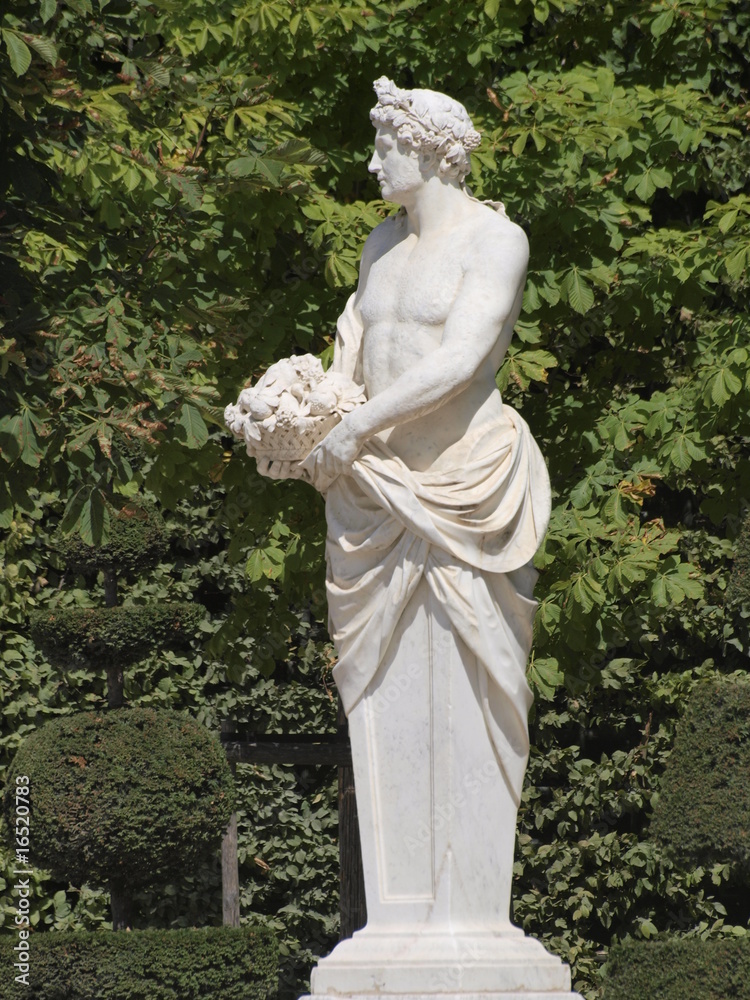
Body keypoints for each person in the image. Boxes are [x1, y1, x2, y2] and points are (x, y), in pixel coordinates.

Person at [262, 78, 566, 997]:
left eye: (385, 146)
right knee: (378, 689)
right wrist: (298, 412)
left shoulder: (495, 240)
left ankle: (471, 925)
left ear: (433, 150)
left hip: (469, 489)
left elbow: (464, 357)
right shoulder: (380, 246)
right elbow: (352, 357)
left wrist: (356, 427)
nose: (371, 163)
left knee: (480, 688)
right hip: (374, 500)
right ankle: (395, 932)